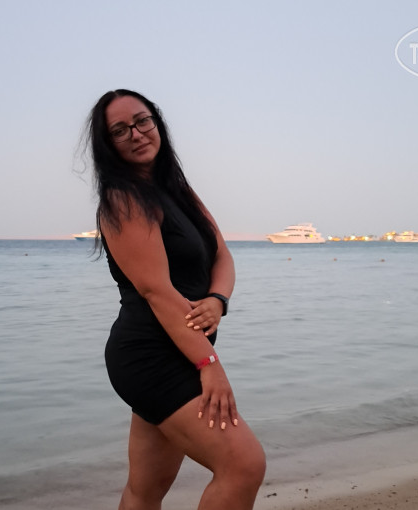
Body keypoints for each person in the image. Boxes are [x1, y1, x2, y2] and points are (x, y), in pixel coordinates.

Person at [85, 89, 265, 509]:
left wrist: (218, 299)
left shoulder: (178, 189)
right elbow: (157, 291)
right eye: (119, 130)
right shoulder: (123, 199)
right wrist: (209, 364)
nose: (136, 134)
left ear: (157, 122)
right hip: (151, 357)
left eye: (142, 120)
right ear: (108, 144)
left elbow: (222, 254)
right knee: (243, 464)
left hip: (183, 350)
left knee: (145, 490)